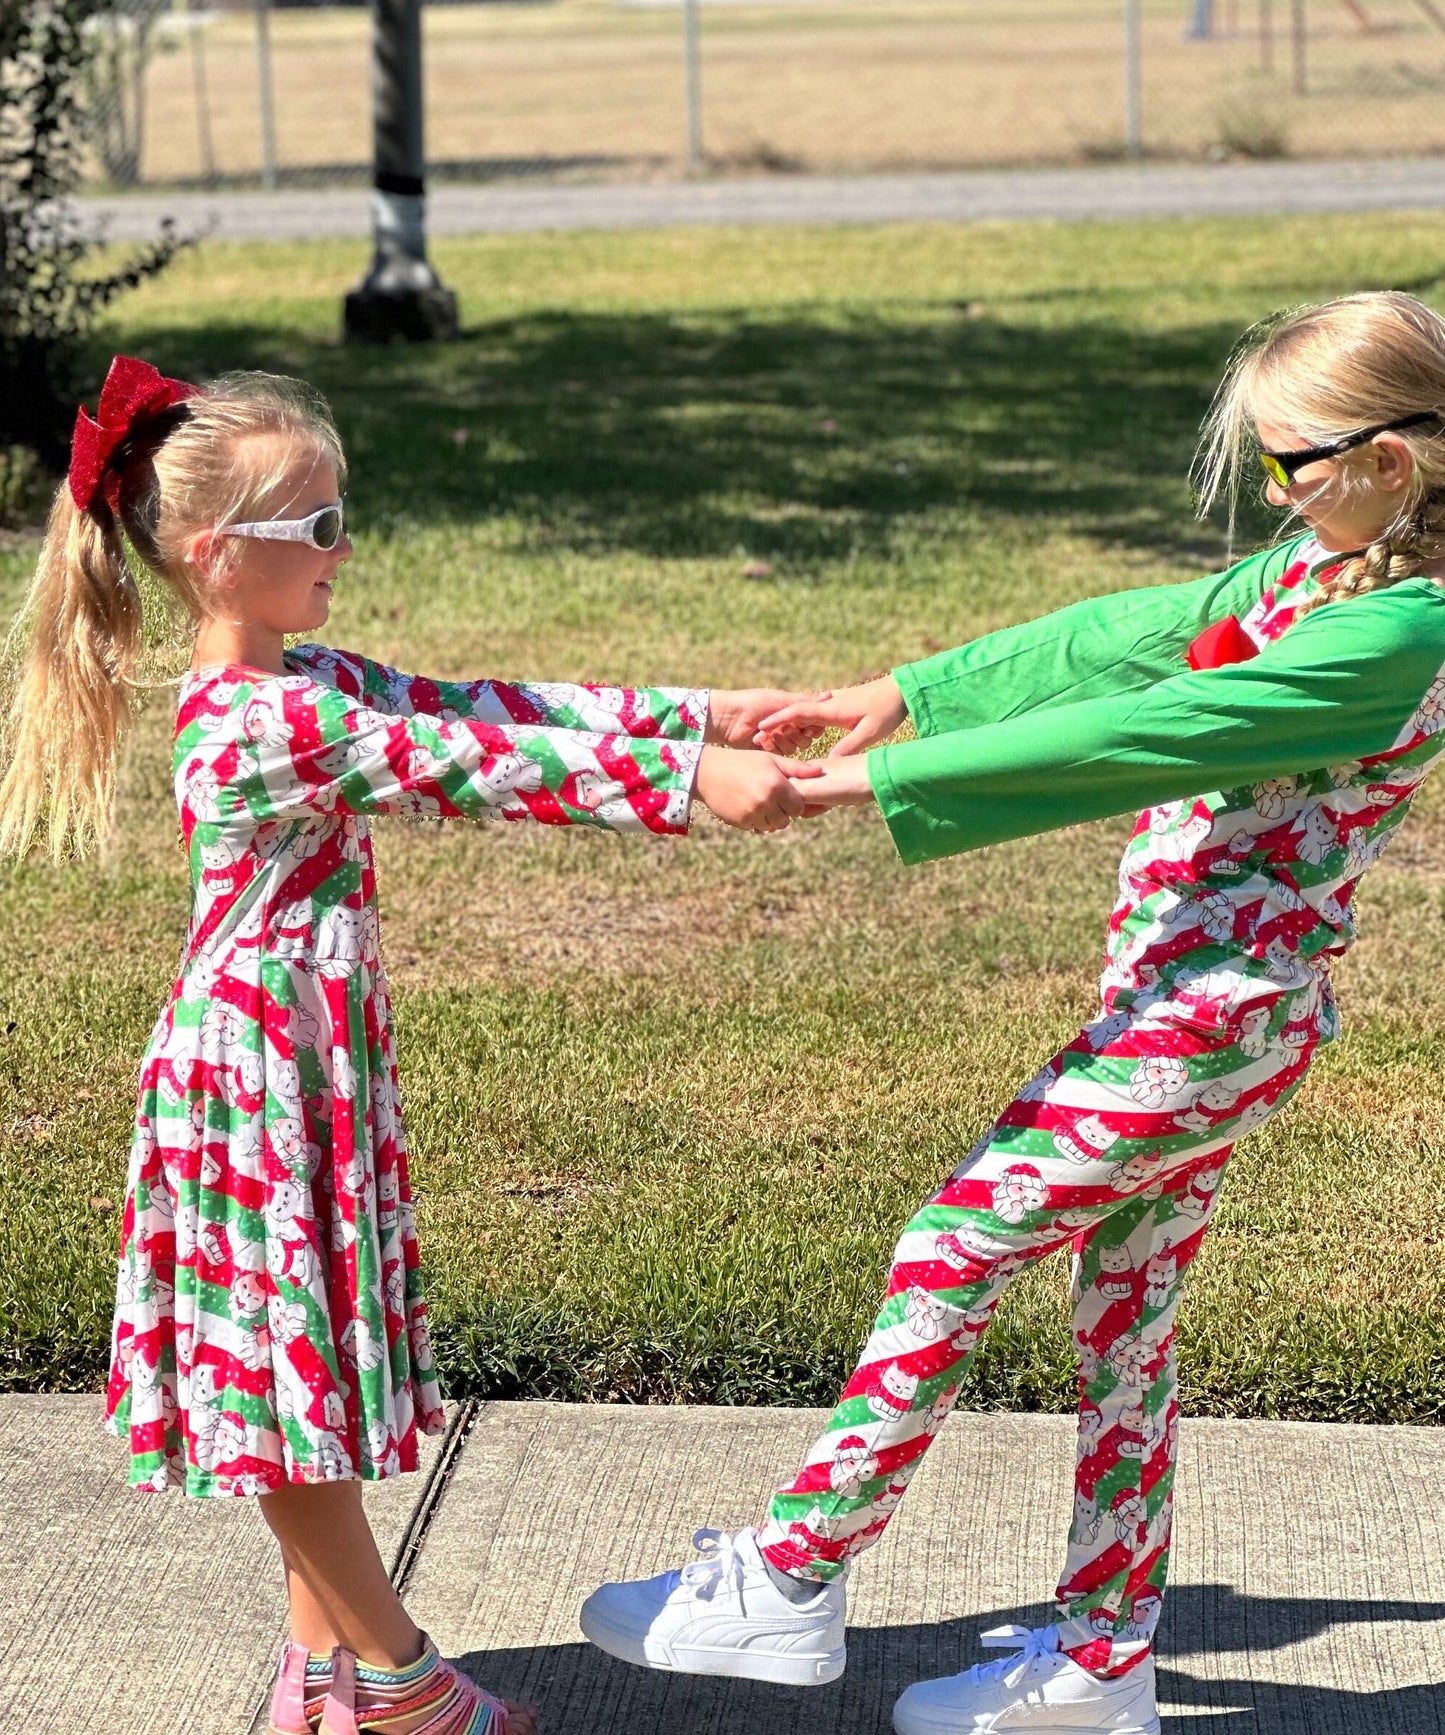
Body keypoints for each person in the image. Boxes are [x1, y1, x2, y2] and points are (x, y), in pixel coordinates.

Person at [580, 289, 1445, 1735]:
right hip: (1188, 1005)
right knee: (1124, 1323)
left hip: (1209, 1020)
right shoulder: (1319, 575)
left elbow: (1140, 730)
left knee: (950, 1245)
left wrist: (856, 789)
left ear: (1392, 465)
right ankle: (1100, 1665)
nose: (1272, 493)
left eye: (1290, 463)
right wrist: (906, 693)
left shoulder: (1393, 634)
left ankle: (792, 1577)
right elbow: (1134, 637)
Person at [0, 356, 809, 1735]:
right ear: (215, 557)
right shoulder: (263, 719)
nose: (343, 546)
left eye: (340, 514)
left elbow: (482, 708)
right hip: (250, 1079)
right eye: (313, 526)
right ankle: (400, 1678)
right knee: (275, 1383)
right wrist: (690, 786)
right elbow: (481, 770)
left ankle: (321, 1667)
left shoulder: (308, 674)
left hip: (302, 1061)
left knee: (304, 1371)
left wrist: (702, 714)